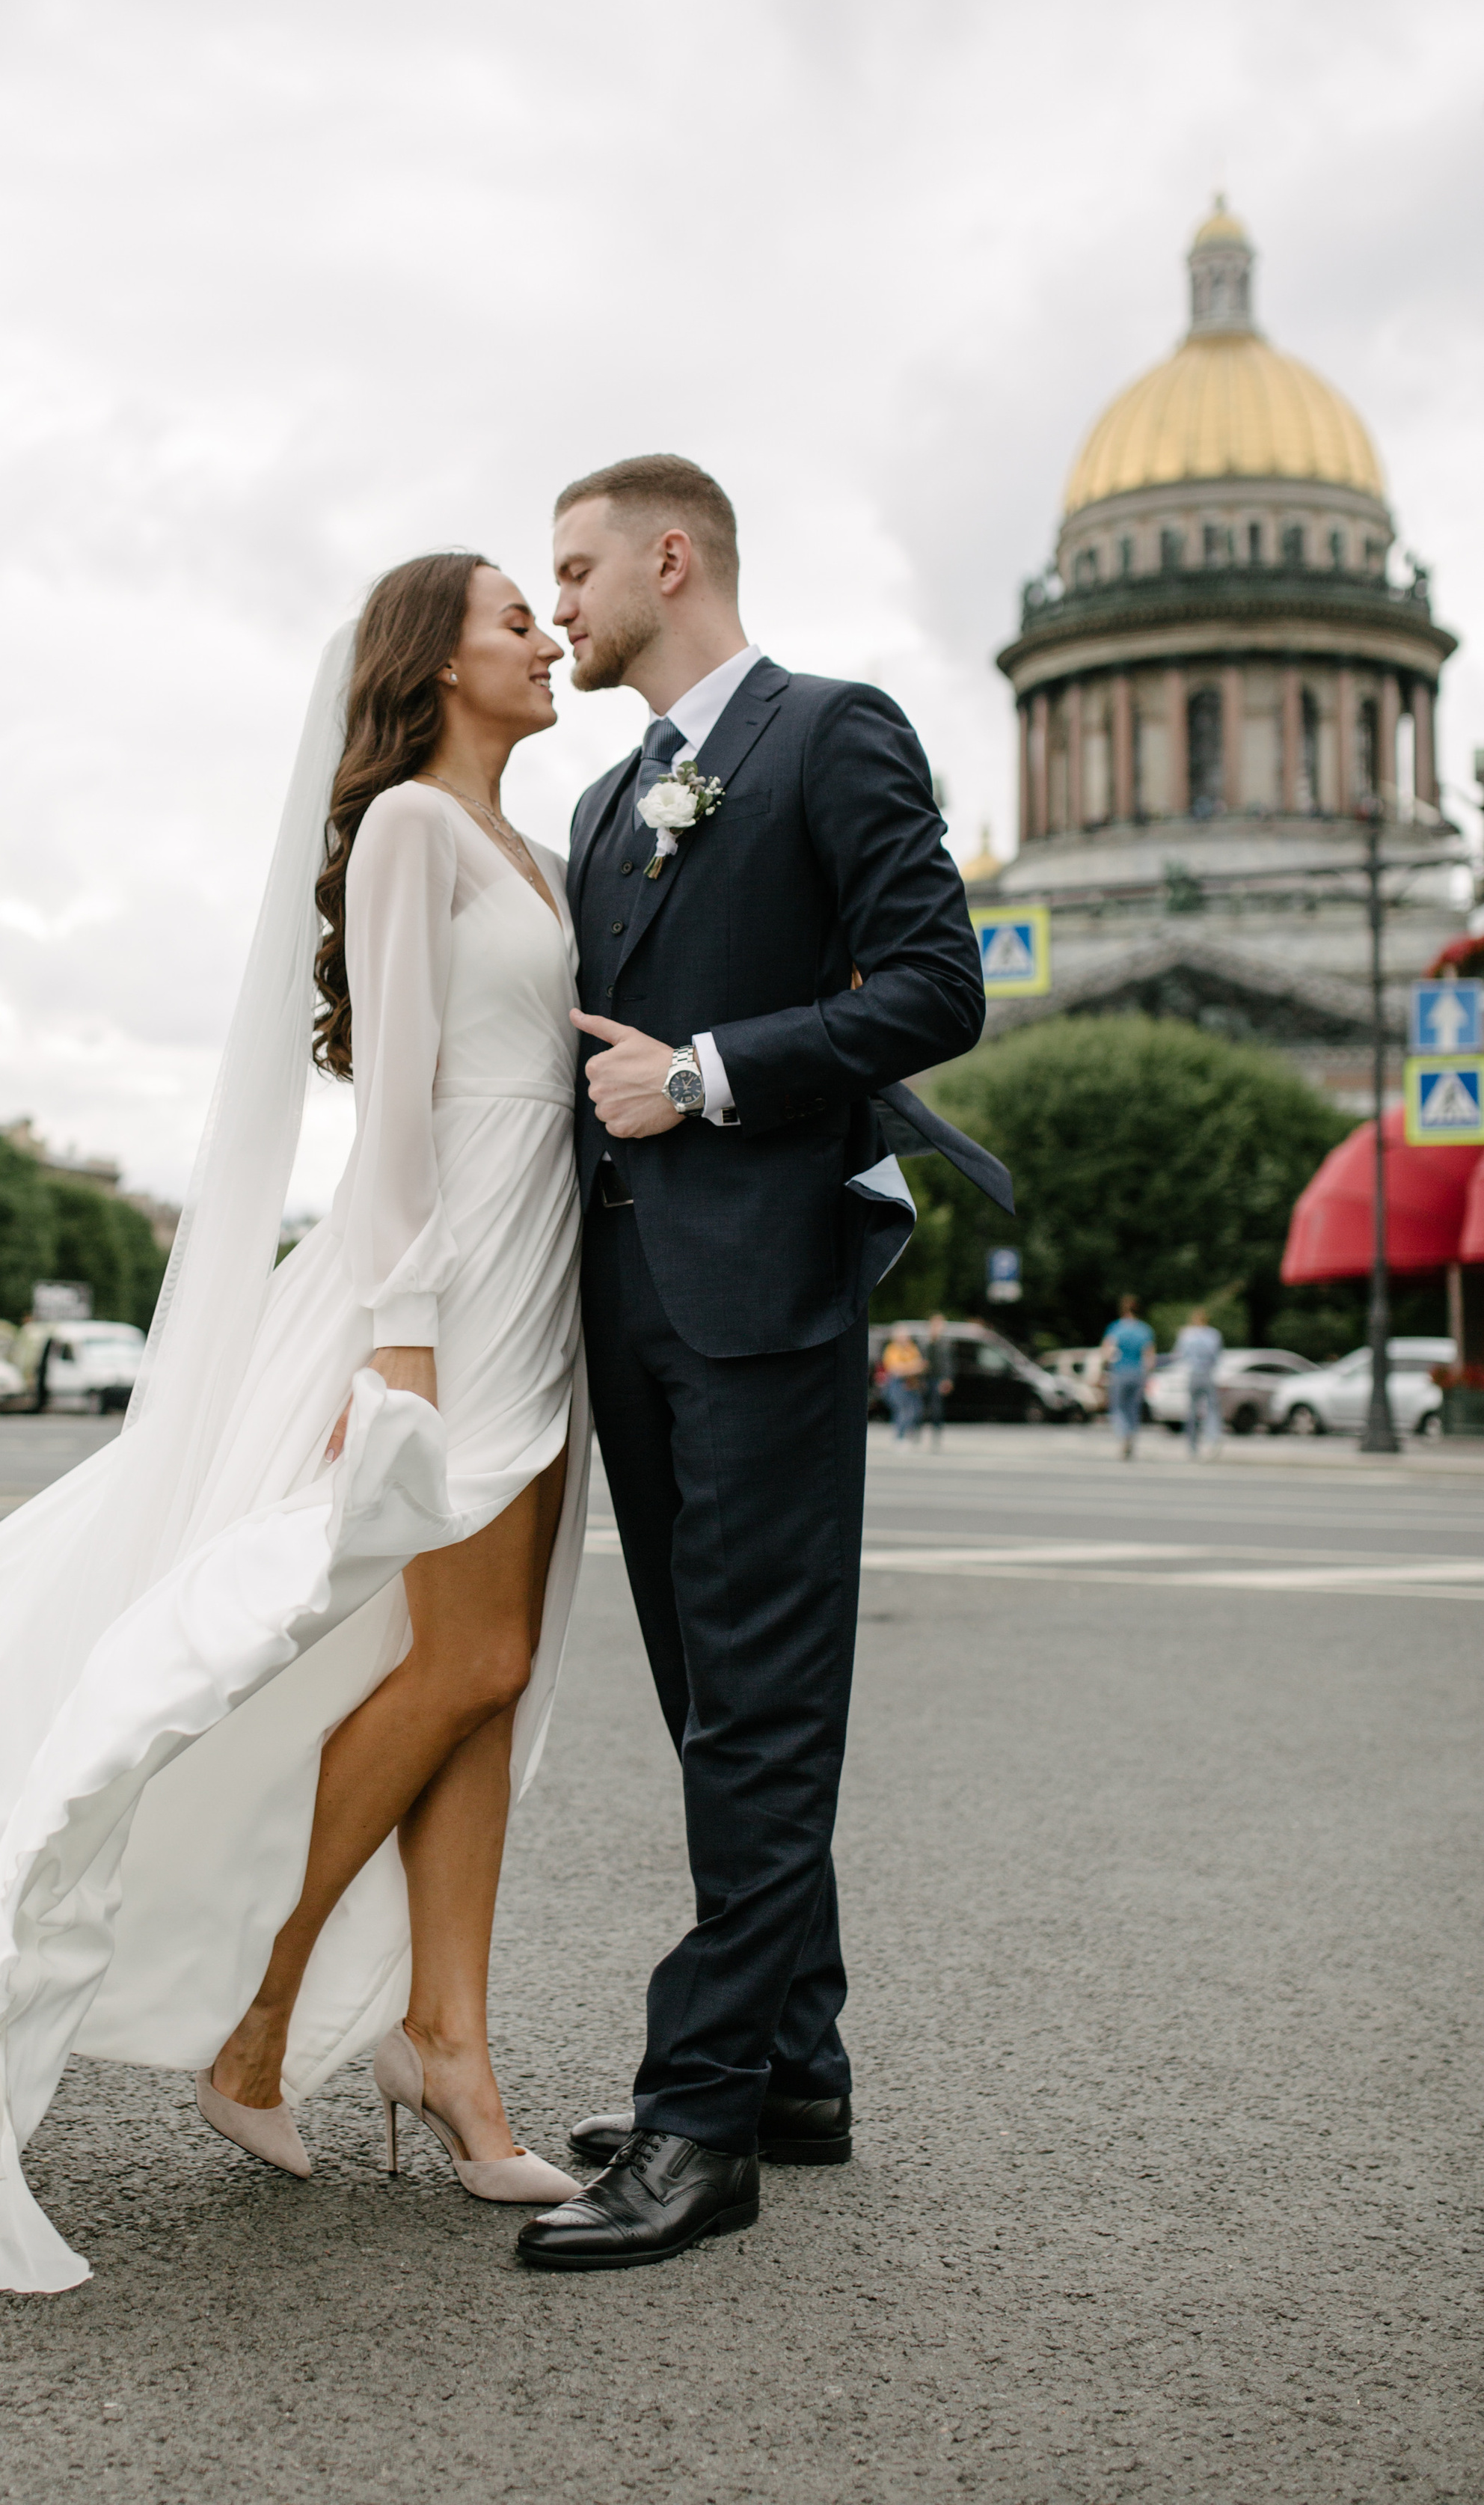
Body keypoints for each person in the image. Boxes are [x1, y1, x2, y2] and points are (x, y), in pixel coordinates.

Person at [0, 550, 587, 2293]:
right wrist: (396, 1342)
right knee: (458, 1664)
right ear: (431, 661)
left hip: (534, 1291)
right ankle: (260, 2023)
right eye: (509, 619)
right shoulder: (405, 826)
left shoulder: (526, 847)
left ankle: (445, 2042)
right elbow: (390, 1104)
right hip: (446, 1295)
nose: (544, 636)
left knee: (486, 1670)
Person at [520, 453, 1005, 2275]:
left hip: (767, 1304)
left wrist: (705, 1069)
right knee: (702, 1693)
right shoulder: (597, 803)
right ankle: (796, 2063)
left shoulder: (828, 733)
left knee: (761, 1709)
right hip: (629, 1304)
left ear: (670, 556)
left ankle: (700, 2113)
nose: (555, 599)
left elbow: (933, 982)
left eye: (572, 567)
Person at [1102, 1293, 1156, 1460]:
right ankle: (1131, 1436)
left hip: (1120, 1372)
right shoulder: (1144, 1330)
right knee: (1133, 1408)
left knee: (1118, 1408)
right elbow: (1150, 1358)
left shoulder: (1116, 1328)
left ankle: (1123, 1435)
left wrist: (1105, 1367)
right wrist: (1147, 1375)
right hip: (1137, 1373)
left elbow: (1106, 1352)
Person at [1176, 1307, 1224, 1458]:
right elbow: (1218, 1357)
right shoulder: (1214, 1335)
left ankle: (1192, 1446)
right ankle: (1213, 1440)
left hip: (1193, 1374)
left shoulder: (1187, 1334)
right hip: (1208, 1374)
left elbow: (1180, 1355)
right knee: (1211, 1410)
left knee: (1192, 1411)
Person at [878, 1328, 926, 1443]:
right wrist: (912, 1367)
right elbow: (895, 1369)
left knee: (916, 1409)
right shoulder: (892, 1349)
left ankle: (909, 1433)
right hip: (897, 1383)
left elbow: (921, 1364)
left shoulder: (911, 1348)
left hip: (911, 1382)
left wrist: (908, 1368)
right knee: (902, 1409)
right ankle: (900, 1436)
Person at [925, 1311, 954, 1446]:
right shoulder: (926, 1341)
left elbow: (949, 1363)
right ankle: (916, 1434)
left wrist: (947, 1379)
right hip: (926, 1378)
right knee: (921, 1408)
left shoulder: (946, 1343)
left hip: (938, 1378)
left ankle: (936, 1436)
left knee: (937, 1409)